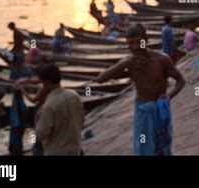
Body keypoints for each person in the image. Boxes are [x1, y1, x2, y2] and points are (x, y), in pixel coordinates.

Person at [96, 26, 186, 155]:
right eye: (131, 43)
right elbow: (100, 79)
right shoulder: (128, 62)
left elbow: (181, 80)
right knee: (144, 148)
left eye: (139, 42)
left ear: (146, 41)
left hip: (160, 110)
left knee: (164, 145)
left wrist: (169, 95)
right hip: (142, 111)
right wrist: (124, 64)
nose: (135, 46)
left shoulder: (161, 59)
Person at [34, 64, 84, 155]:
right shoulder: (74, 96)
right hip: (75, 150)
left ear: (46, 82)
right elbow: (81, 121)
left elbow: (41, 135)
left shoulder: (49, 106)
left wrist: (27, 138)